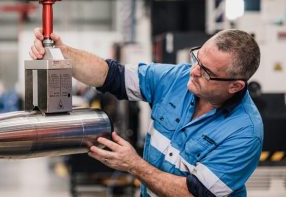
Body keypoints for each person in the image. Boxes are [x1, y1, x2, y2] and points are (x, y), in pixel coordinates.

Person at [30, 28, 263, 197]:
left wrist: (133, 164)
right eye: (197, 59)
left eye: (206, 72)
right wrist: (62, 53)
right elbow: (113, 76)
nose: (193, 71)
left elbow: (195, 194)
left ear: (235, 86)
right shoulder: (177, 79)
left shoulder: (244, 133)